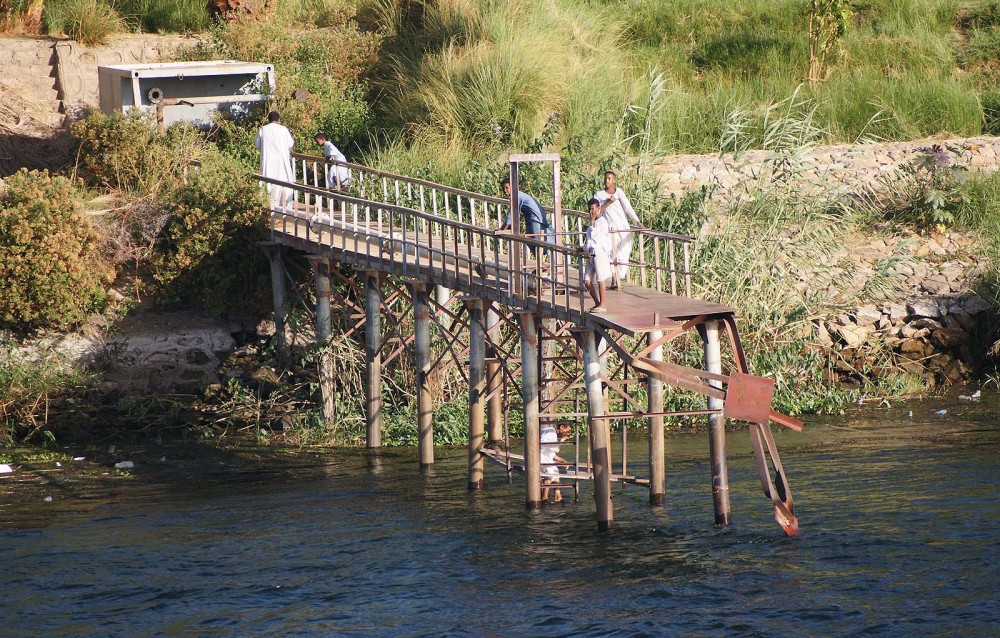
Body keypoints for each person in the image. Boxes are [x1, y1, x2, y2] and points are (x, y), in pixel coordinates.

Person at [593, 171, 640, 288]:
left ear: (614, 180)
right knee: (610, 252)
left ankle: (620, 276)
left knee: (625, 251)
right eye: (605, 178)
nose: (606, 181)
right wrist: (608, 202)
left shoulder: (619, 192)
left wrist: (638, 222)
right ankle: (614, 279)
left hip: (623, 227)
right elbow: (596, 212)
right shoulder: (599, 195)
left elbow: (628, 208)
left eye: (609, 179)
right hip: (609, 228)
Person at [254, 111, 295, 212]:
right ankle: (284, 208)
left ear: (268, 119)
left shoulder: (263, 129)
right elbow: (290, 143)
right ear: (278, 119)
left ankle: (269, 206)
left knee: (268, 183)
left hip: (268, 161)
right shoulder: (283, 129)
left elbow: (257, 145)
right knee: (283, 183)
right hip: (282, 161)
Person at [500, 177, 556, 249]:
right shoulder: (518, 195)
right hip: (532, 218)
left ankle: (546, 253)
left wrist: (502, 229)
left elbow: (512, 215)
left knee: (537, 241)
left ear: (512, 186)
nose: (505, 190)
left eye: (507, 188)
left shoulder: (517, 196)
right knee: (529, 240)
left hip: (535, 218)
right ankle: (543, 253)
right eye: (503, 189)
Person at [581, 197, 612, 313]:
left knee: (600, 278)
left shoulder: (602, 222)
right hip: (591, 253)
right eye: (589, 209)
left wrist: (592, 222)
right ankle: (597, 303)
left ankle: (603, 304)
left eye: (593, 209)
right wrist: (583, 248)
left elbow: (596, 238)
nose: (591, 212)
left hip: (599, 252)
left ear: (599, 209)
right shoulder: (592, 224)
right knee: (587, 280)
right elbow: (589, 240)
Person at [540, 422, 572, 502]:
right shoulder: (550, 433)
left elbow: (551, 454)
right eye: (567, 431)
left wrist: (562, 460)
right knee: (549, 473)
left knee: (555, 472)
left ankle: (558, 496)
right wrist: (561, 441)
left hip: (544, 457)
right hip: (536, 456)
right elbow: (543, 445)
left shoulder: (553, 435)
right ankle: (544, 498)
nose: (567, 433)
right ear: (561, 427)